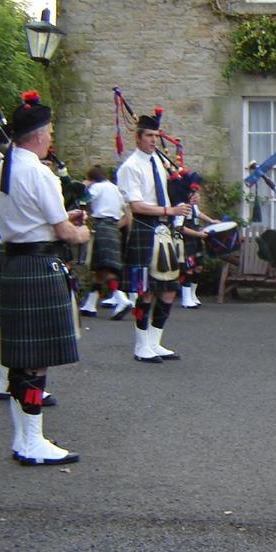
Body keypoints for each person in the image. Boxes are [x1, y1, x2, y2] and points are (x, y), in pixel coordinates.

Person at [0, 91, 91, 465]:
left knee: (19, 360)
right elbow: (64, 232)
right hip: (39, 267)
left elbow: (28, 219)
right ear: (40, 134)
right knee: (36, 363)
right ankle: (32, 442)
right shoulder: (39, 172)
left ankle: (23, 439)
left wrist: (59, 222)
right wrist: (82, 232)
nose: (51, 139)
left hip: (13, 264)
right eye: (49, 132)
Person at [116, 110, 192, 363]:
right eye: (148, 135)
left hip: (164, 228)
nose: (153, 140)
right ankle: (140, 345)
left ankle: (154, 341)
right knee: (146, 291)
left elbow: (167, 191)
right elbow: (136, 205)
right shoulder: (130, 167)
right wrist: (169, 210)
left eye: (156, 135)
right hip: (144, 227)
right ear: (137, 138)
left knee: (169, 289)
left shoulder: (158, 162)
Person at [79, 165, 134, 319]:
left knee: (104, 268)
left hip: (102, 226)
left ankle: (121, 298)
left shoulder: (97, 187)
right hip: (113, 227)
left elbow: (84, 200)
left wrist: (84, 187)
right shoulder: (115, 188)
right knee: (101, 269)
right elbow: (126, 215)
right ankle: (90, 305)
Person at [177, 183, 218, 308]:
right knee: (188, 268)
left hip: (196, 240)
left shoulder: (194, 207)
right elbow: (179, 227)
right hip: (186, 241)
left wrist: (212, 221)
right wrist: (199, 234)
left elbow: (199, 214)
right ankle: (185, 298)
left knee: (198, 267)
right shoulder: (181, 206)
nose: (196, 197)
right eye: (193, 194)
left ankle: (192, 294)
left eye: (197, 194)